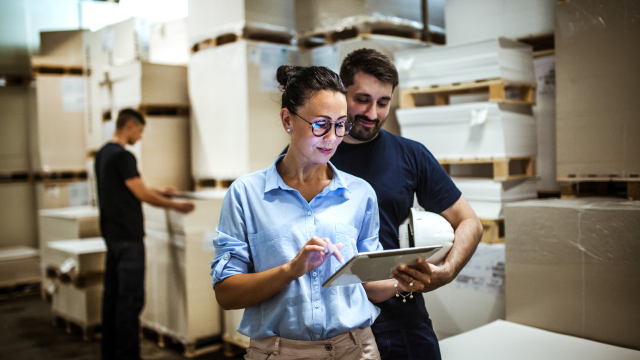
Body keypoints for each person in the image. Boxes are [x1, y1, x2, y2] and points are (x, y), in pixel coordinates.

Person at [284, 49, 484, 359]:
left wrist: (448, 270)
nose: (373, 113)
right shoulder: (310, 155)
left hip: (401, 321)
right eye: (362, 99)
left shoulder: (410, 154)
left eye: (383, 102)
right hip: (333, 328)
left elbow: (469, 221)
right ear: (341, 91)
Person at [211, 66, 416, 360]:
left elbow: (368, 285)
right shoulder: (247, 194)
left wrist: (403, 279)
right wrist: (291, 270)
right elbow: (227, 294)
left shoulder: (360, 194)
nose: (332, 137)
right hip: (278, 352)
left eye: (341, 124)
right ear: (287, 119)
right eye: (320, 124)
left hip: (356, 349)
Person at [95, 108, 195, 360]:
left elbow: (130, 187)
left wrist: (160, 190)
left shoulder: (103, 154)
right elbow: (142, 195)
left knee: (112, 298)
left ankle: (110, 353)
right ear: (129, 126)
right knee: (131, 300)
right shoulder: (123, 156)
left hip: (112, 236)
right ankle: (128, 355)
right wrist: (176, 205)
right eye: (139, 131)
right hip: (129, 239)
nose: (139, 137)